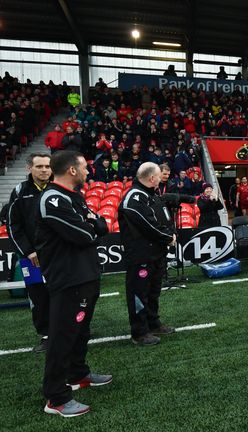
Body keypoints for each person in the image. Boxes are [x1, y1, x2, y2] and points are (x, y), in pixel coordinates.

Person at [35, 151, 111, 417]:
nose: (89, 171)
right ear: (72, 171)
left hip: (86, 274)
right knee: (62, 336)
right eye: (85, 167)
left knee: (81, 331)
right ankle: (55, 397)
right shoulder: (53, 198)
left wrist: (92, 224)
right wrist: (91, 225)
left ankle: (78, 374)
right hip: (68, 278)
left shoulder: (74, 197)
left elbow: (103, 226)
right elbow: (83, 234)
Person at [118, 162, 177, 346]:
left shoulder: (152, 194)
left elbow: (164, 218)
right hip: (141, 256)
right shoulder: (135, 197)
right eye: (159, 175)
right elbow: (148, 225)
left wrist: (171, 232)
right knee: (139, 293)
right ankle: (139, 332)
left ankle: (153, 323)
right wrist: (168, 237)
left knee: (153, 291)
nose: (161, 178)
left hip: (156, 253)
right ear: (152, 178)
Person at [7, 153, 52, 353]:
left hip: (57, 255)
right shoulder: (19, 191)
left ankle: (71, 328)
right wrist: (28, 252)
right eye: (39, 166)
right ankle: (47, 335)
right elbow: (13, 225)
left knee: (64, 293)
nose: (44, 170)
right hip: (31, 257)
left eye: (47, 166)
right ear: (29, 168)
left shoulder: (58, 187)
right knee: (37, 294)